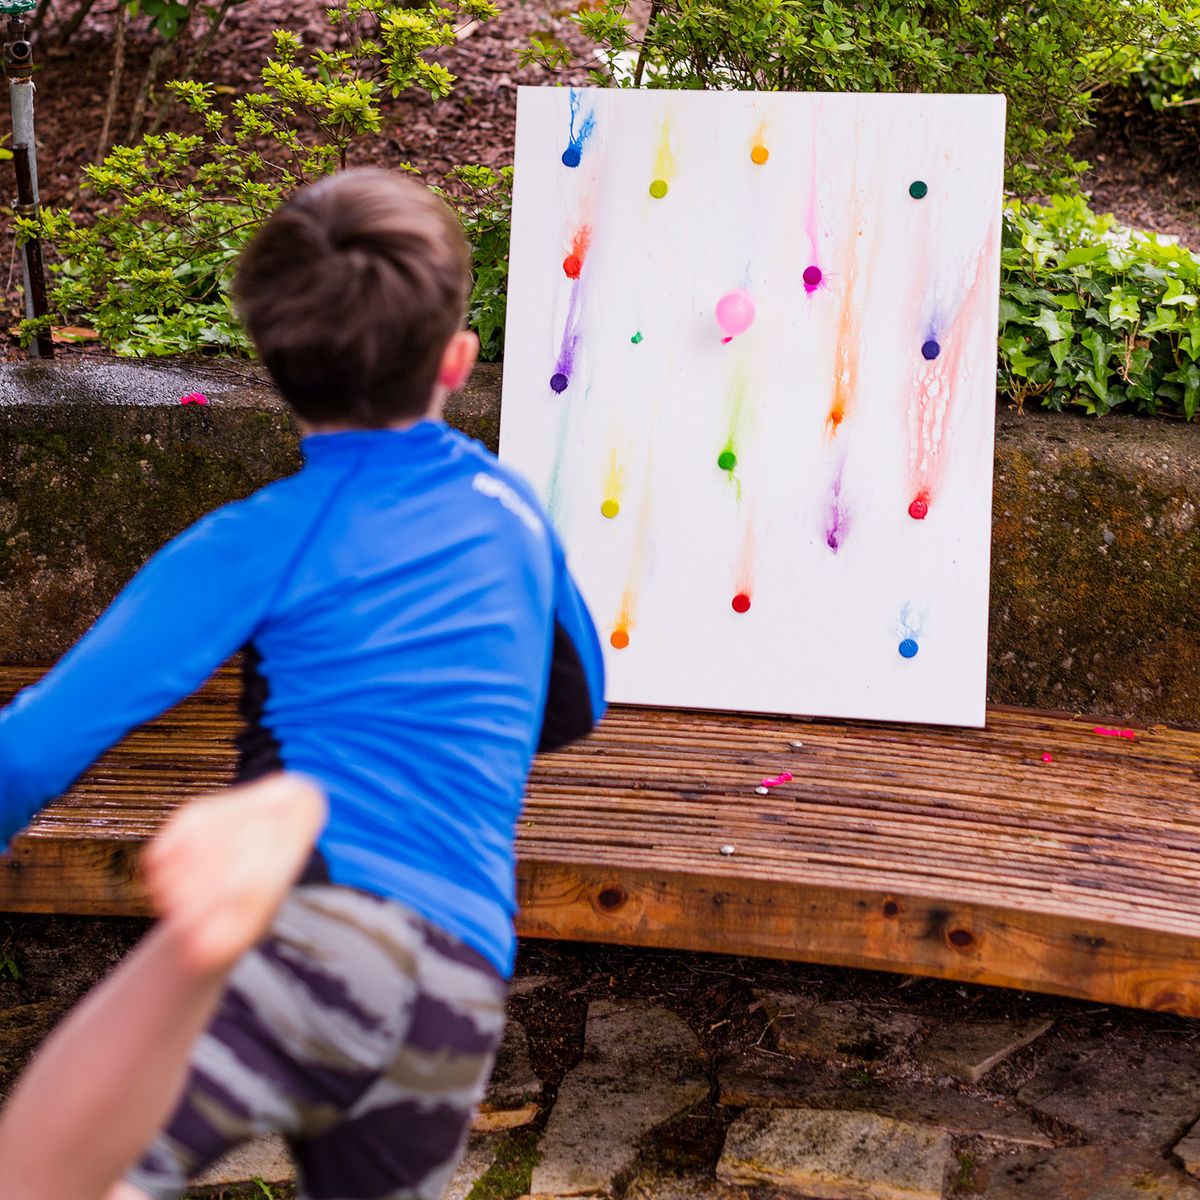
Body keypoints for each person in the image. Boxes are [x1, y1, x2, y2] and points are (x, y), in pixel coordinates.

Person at [0, 167, 605, 1200]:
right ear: (457, 360)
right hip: (457, 981)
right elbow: (577, 701)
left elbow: (34, 748)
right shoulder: (514, 511)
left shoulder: (260, 540)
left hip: (316, 926)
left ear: (275, 367)